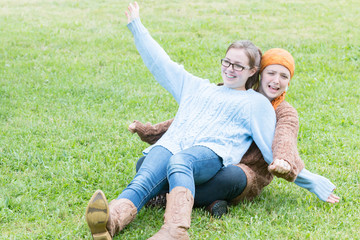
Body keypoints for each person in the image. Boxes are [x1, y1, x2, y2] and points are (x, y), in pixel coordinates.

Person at [85, 2, 277, 240]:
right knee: (144, 173)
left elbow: (273, 149)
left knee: (180, 160)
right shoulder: (195, 87)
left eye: (238, 65)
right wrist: (137, 27)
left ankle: (175, 230)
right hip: (173, 144)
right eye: (226, 62)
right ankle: (110, 222)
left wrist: (305, 177)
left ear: (252, 71)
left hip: (209, 157)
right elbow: (161, 64)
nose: (229, 69)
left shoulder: (256, 103)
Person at [129, 48, 340, 217]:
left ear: (288, 82)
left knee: (230, 178)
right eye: (271, 73)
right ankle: (210, 203)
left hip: (242, 171)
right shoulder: (237, 93)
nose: (276, 80)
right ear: (259, 74)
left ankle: (162, 197)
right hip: (209, 158)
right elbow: (194, 120)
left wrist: (283, 161)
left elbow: (285, 138)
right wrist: (151, 130)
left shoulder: (285, 113)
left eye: (284, 76)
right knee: (144, 164)